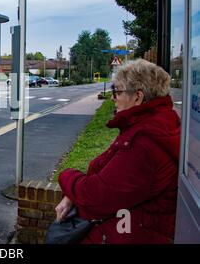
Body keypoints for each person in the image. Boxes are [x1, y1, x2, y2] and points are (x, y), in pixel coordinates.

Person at [56, 59, 181, 244]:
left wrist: (66, 176)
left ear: (137, 97)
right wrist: (71, 195)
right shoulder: (149, 125)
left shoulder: (145, 142)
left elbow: (95, 197)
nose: (113, 97)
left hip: (127, 234)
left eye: (118, 91)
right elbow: (103, 169)